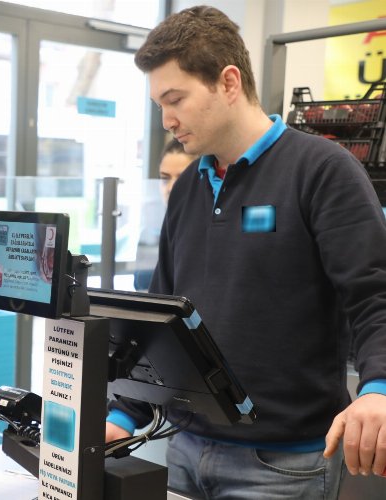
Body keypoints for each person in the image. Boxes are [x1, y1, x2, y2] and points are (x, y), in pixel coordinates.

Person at [106, 6, 386, 499]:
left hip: (281, 464)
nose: (167, 120)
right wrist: (123, 412)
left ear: (228, 82)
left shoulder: (323, 170)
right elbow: (161, 307)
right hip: (183, 449)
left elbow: (374, 296)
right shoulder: (192, 182)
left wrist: (379, 388)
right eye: (159, 105)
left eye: (176, 99)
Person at [133, 138, 197, 290]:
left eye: (182, 178)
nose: (171, 187)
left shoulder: (203, 233)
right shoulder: (150, 233)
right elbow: (141, 287)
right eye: (165, 178)